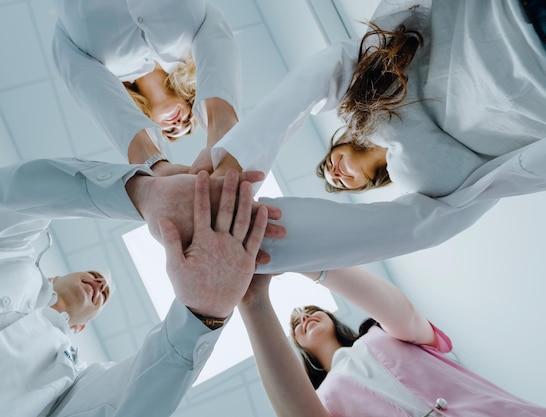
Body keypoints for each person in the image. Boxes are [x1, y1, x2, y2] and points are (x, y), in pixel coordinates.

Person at [0, 158, 281, 417]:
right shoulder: (7, 256)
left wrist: (200, 313)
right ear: (52, 277)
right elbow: (2, 198)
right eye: (95, 275)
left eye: (104, 294)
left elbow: (130, 405)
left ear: (81, 327)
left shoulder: (65, 380)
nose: (100, 284)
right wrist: (143, 193)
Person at [209, 0, 546, 274]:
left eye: (328, 164)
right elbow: (415, 229)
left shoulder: (361, 99)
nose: (334, 173)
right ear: (365, 186)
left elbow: (319, 76)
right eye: (340, 183)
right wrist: (259, 240)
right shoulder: (422, 186)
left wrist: (234, 161)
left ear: (339, 143)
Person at [238, 268, 546, 416]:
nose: (304, 317)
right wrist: (252, 301)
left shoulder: (380, 333)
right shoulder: (322, 398)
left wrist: (306, 260)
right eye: (296, 323)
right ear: (300, 348)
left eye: (311, 311)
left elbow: (407, 317)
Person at [52, 0, 241, 175]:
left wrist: (151, 163)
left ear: (150, 121)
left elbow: (68, 57)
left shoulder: (101, 69)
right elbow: (216, 30)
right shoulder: (192, 40)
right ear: (191, 99)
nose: (178, 124)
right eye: (188, 121)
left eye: (169, 131)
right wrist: (222, 131)